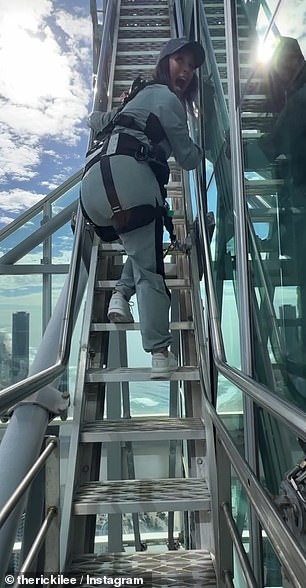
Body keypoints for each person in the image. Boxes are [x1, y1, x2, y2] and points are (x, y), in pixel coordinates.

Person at [80, 37, 205, 378]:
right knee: (150, 268)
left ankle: (119, 297)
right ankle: (160, 353)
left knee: (141, 248)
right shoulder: (168, 99)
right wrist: (213, 149)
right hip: (131, 180)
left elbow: (97, 120)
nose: (187, 71)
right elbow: (188, 158)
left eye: (192, 67)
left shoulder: (134, 100)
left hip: (93, 187)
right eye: (181, 61)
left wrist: (117, 110)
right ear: (164, 61)